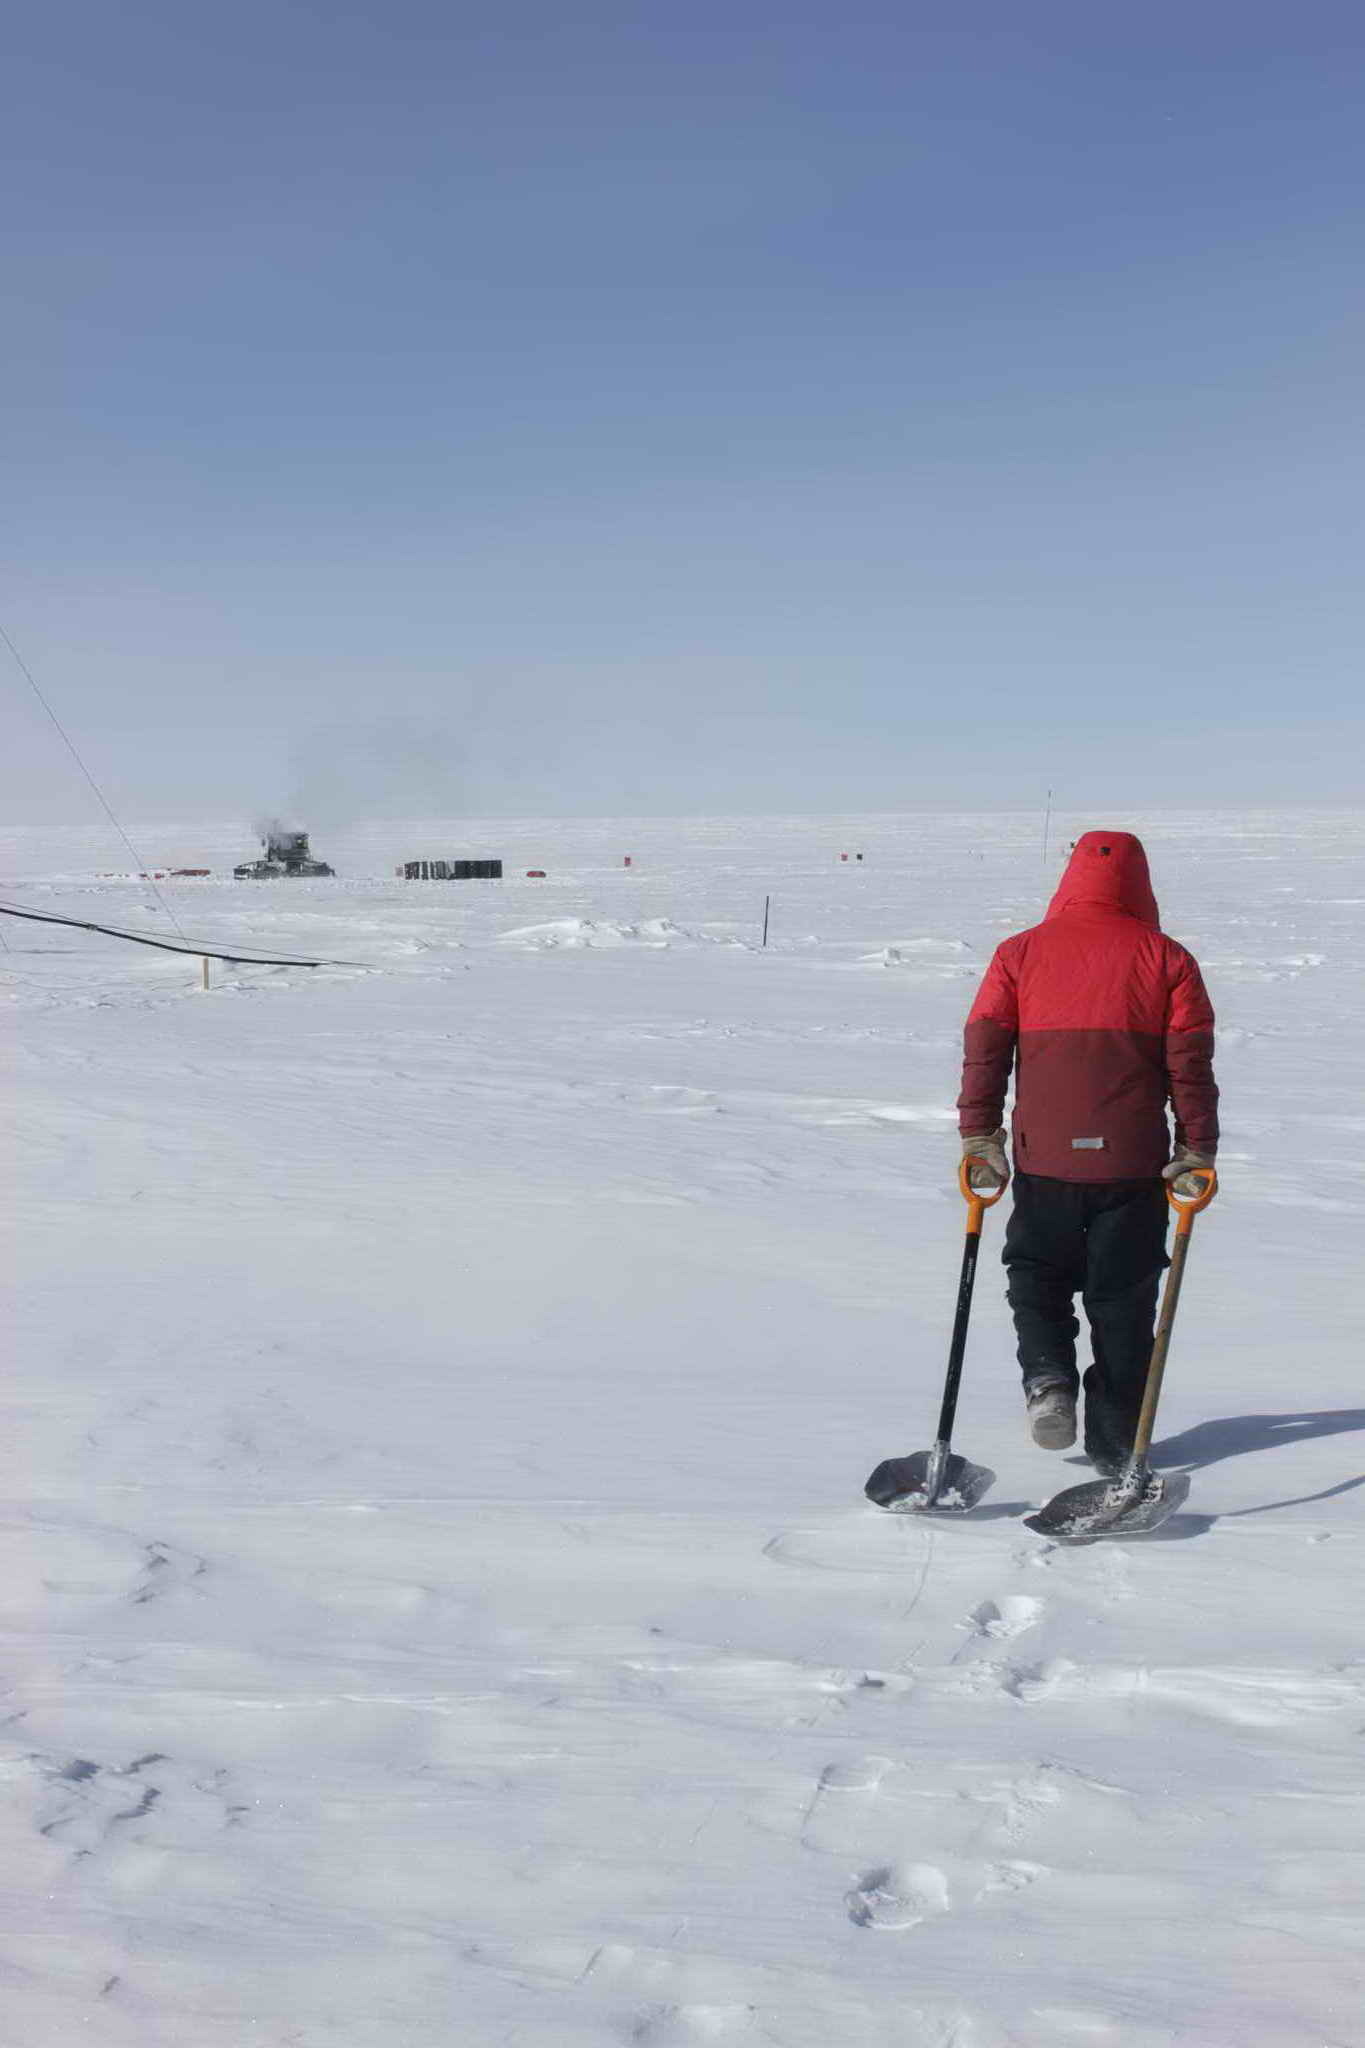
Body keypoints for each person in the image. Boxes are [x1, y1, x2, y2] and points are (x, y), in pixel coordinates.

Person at [956, 831, 1218, 1474]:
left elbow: (985, 1049)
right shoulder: (1168, 958)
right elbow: (1190, 1066)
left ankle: (1048, 1382)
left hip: (1045, 1161)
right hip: (1132, 1164)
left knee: (1037, 1275)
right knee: (1123, 1294)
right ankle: (1115, 1435)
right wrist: (1196, 1149)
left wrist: (979, 1135)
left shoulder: (1018, 953)